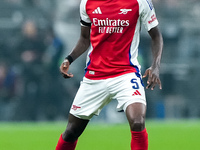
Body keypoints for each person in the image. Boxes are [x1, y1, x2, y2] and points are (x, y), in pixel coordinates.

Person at [56, 0, 163, 149]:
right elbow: (84, 39)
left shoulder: (140, 2)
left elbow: (156, 36)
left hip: (126, 74)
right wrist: (69, 59)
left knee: (138, 122)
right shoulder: (87, 3)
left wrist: (155, 66)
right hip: (94, 77)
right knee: (71, 132)